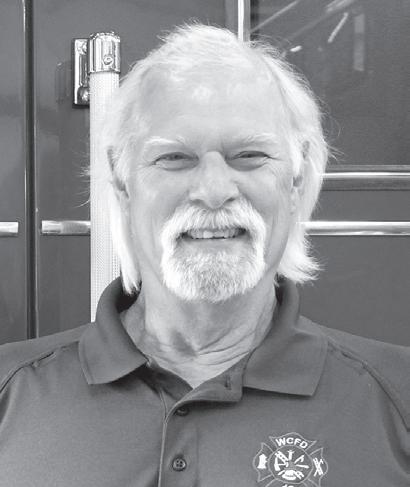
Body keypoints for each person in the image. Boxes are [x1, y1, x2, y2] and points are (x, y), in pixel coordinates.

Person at [0, 23, 409, 487]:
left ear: (296, 178)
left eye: (250, 155)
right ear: (121, 179)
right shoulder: (10, 394)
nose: (214, 191)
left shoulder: (398, 402)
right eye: (174, 158)